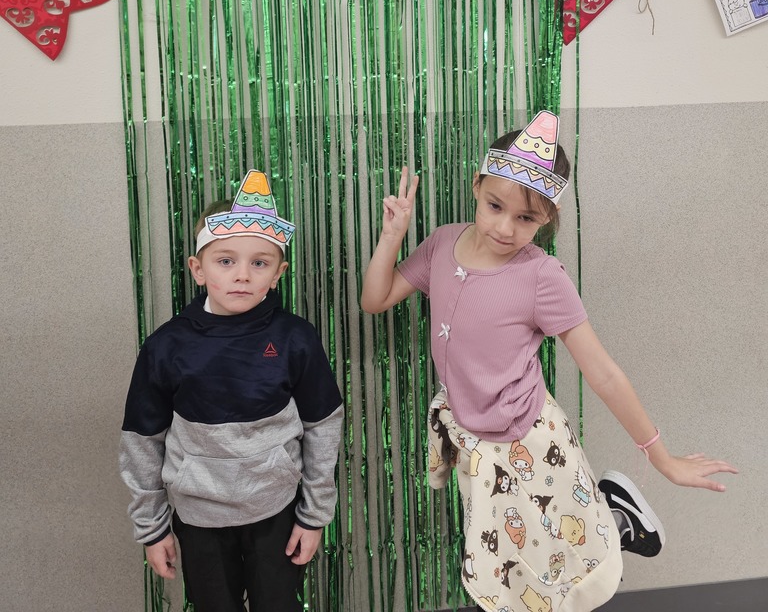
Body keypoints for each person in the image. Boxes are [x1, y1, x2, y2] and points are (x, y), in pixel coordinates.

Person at [361, 111, 737, 612]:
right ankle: (614, 514)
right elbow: (375, 299)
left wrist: (662, 459)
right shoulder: (442, 243)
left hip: (531, 442)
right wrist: (393, 236)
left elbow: (602, 372)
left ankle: (620, 521)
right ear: (477, 185)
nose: (505, 228)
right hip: (475, 444)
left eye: (527, 219)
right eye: (496, 206)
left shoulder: (542, 277)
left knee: (559, 563)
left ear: (547, 219)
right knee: (505, 568)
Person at [120, 169, 343, 612]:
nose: (242, 275)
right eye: (226, 261)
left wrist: (314, 516)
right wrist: (152, 528)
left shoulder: (296, 338)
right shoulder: (166, 346)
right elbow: (141, 441)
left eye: (258, 263)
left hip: (276, 511)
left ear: (277, 273)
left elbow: (324, 427)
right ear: (198, 270)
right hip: (199, 517)